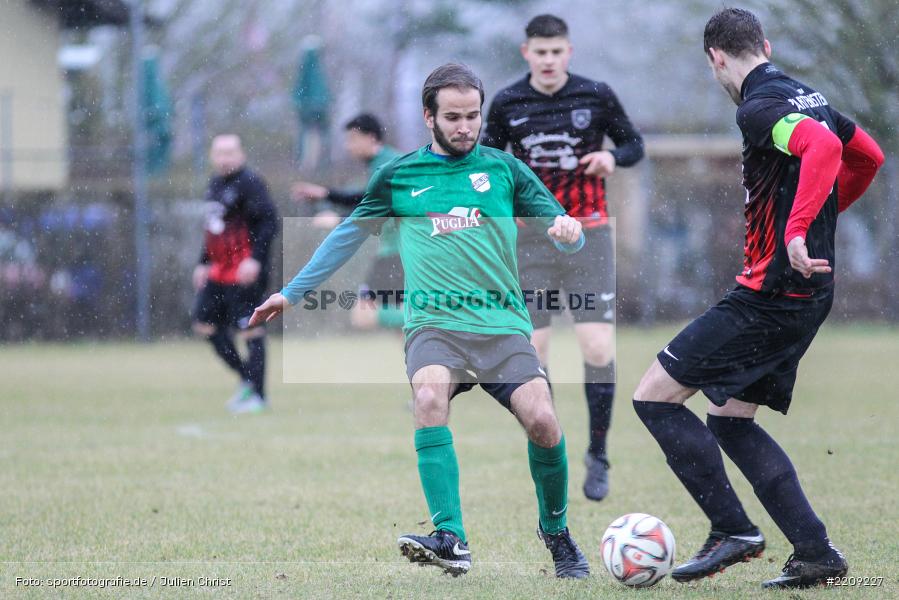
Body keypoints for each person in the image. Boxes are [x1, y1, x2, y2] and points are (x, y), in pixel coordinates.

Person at [251, 63, 591, 579]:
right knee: (428, 398)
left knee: (543, 421)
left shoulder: (503, 170)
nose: (465, 127)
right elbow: (349, 233)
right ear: (428, 117)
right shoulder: (398, 175)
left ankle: (556, 530)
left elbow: (563, 223)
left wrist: (570, 232)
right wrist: (291, 292)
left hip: (501, 325)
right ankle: (451, 537)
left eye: (473, 116)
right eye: (453, 117)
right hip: (434, 325)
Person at [631, 8, 883, 589]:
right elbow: (867, 155)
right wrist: (822, 214)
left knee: (655, 399)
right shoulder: (808, 95)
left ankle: (731, 530)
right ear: (764, 45)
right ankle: (816, 552)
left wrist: (798, 230)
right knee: (730, 420)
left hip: (768, 296)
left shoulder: (757, 108)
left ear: (715, 58)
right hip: (807, 293)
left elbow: (821, 148)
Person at [481, 14, 644, 501]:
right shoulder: (509, 101)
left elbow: (634, 144)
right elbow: (487, 163)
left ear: (568, 52)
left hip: (589, 237)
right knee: (534, 350)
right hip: (531, 242)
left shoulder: (595, 94)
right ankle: (554, 442)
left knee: (596, 348)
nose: (549, 60)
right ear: (525, 52)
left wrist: (612, 158)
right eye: (540, 52)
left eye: (557, 52)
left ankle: (598, 453)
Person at [292, 114, 405, 330]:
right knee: (400, 326)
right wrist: (325, 194)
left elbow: (377, 207)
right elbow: (367, 198)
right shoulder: (387, 163)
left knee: (363, 315)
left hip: (396, 253)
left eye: (353, 139)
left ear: (371, 138)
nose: (348, 146)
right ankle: (423, 347)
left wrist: (338, 219)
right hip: (399, 251)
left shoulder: (388, 166)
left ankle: (434, 321)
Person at [192, 134, 279, 414]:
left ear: (240, 154)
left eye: (230, 152)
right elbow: (214, 228)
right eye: (219, 152)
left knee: (250, 330)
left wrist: (255, 260)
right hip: (218, 273)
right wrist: (203, 261)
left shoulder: (250, 183)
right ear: (212, 156)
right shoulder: (215, 184)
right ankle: (246, 379)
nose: (225, 158)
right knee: (204, 325)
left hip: (244, 273)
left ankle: (258, 396)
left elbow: (269, 223)